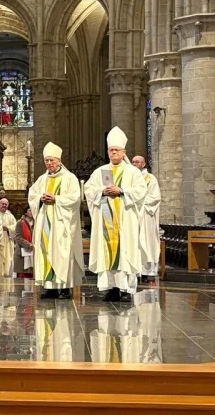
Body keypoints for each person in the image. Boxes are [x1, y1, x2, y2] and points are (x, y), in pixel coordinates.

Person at [84, 127, 146, 302]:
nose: (113, 153)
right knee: (107, 252)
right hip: (106, 221)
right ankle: (111, 288)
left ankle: (126, 289)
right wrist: (102, 191)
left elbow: (141, 191)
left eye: (116, 150)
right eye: (111, 150)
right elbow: (89, 189)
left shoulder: (133, 172)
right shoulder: (100, 171)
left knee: (125, 252)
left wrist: (121, 190)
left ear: (124, 152)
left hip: (125, 221)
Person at [28, 142, 85, 299]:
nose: (49, 163)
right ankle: (50, 288)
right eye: (47, 161)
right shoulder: (42, 179)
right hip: (45, 223)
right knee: (46, 252)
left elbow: (75, 198)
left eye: (52, 160)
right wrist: (40, 198)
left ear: (59, 161)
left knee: (62, 253)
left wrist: (56, 199)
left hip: (62, 224)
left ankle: (65, 288)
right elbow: (32, 195)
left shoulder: (69, 178)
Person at [132, 156, 162, 281]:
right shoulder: (130, 178)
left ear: (144, 164)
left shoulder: (150, 178)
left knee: (146, 242)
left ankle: (147, 272)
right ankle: (135, 270)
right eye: (133, 162)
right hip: (133, 214)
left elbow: (155, 197)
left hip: (145, 215)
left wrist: (138, 202)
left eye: (137, 162)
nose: (134, 164)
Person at [0, 198, 16, 278]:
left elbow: (15, 226)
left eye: (6, 204)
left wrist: (7, 228)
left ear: (8, 205)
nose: (4, 205)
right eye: (2, 203)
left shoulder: (10, 215)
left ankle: (7, 274)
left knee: (8, 256)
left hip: (8, 239)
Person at [12, 207, 34, 278]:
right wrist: (29, 245)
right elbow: (18, 237)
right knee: (23, 277)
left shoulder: (36, 222)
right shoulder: (20, 222)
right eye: (30, 210)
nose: (32, 212)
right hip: (22, 251)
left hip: (34, 252)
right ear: (26, 213)